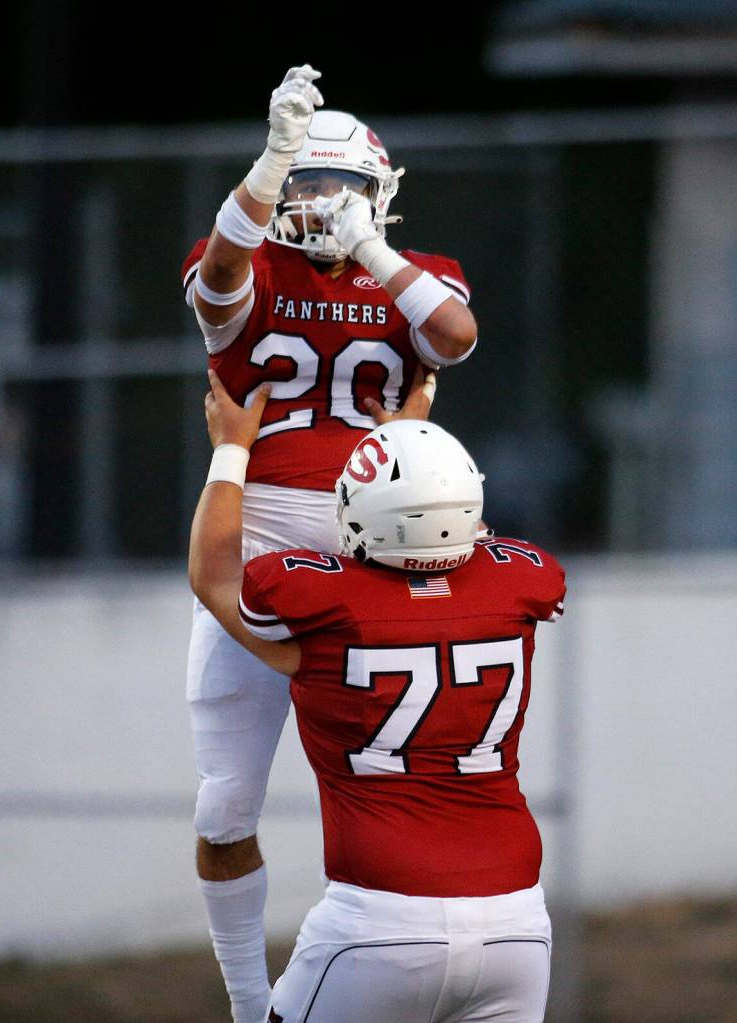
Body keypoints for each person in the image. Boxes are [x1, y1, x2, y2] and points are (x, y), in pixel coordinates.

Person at [181, 64, 478, 1021]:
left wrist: (374, 257)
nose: (322, 205)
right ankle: (244, 1004)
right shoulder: (249, 260)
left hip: (379, 546)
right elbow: (221, 283)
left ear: (379, 197)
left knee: (400, 783)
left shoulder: (417, 276)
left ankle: (422, 959)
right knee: (225, 804)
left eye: (340, 187)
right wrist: (269, 164)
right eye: (304, 184)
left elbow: (458, 335)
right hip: (259, 528)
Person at [189, 371, 566, 1023]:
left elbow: (213, 573)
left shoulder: (326, 605)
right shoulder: (520, 580)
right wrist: (410, 445)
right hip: (517, 925)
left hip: (377, 925)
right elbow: (463, 542)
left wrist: (231, 447)